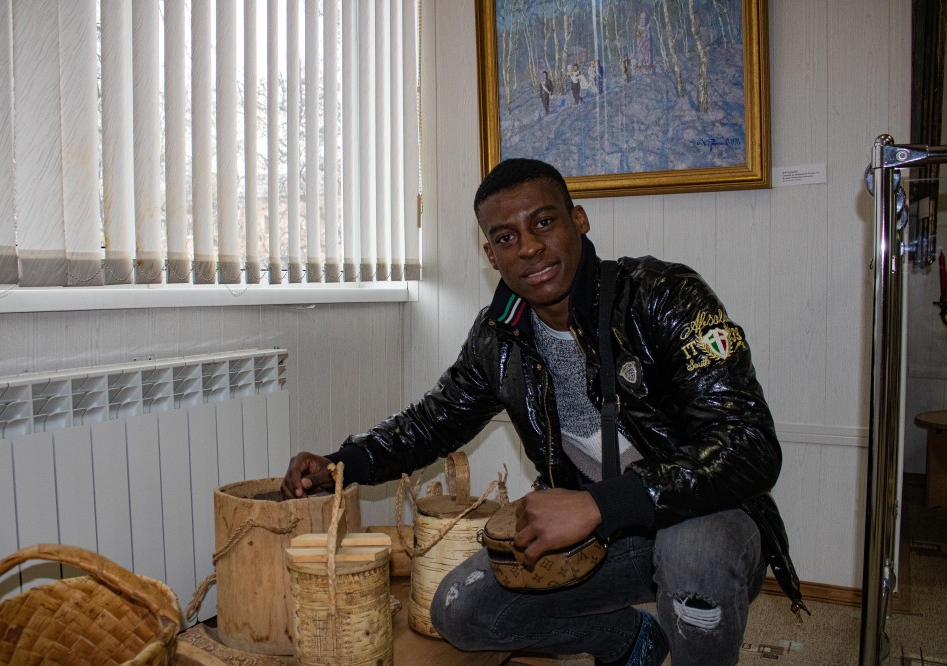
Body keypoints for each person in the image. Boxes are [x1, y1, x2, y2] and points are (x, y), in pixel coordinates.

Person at [282, 158, 808, 665]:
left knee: (695, 553)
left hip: (700, 520)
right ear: (491, 255)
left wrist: (600, 503)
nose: (529, 247)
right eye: (506, 237)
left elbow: (749, 446)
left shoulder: (664, 296)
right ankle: (629, 641)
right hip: (601, 540)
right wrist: (341, 464)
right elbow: (431, 423)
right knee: (460, 612)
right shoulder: (498, 337)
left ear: (578, 220)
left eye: (543, 223)